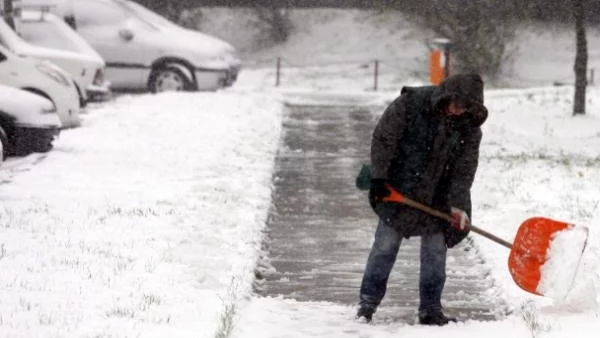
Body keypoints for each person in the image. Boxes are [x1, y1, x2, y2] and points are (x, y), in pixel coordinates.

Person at [356, 73, 488, 326]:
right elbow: (384, 139)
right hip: (399, 188)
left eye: (467, 108)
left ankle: (430, 310)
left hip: (439, 197)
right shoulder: (411, 104)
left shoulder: (469, 128)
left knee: (435, 253)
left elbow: (464, 170)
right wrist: (380, 178)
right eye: (457, 104)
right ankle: (367, 303)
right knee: (385, 247)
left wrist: (458, 206)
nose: (459, 112)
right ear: (448, 96)